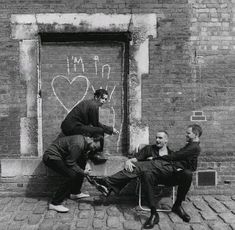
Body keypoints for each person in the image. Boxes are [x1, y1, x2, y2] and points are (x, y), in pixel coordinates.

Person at [88, 124, 202, 229]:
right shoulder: (150, 149)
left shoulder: (189, 148)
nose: (157, 140)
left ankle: (108, 184)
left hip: (168, 174)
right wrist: (128, 161)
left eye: (188, 133)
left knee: (142, 166)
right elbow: (180, 158)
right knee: (144, 171)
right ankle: (153, 213)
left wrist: (157, 159)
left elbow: (178, 157)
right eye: (156, 137)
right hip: (153, 175)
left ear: (166, 140)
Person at [43, 135, 101, 213]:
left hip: (61, 158)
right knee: (71, 175)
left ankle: (75, 192)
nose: (93, 149)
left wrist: (87, 164)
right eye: (94, 146)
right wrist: (83, 172)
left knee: (81, 166)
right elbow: (70, 162)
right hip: (51, 157)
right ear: (91, 139)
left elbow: (82, 155)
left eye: (95, 149)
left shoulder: (84, 142)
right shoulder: (78, 144)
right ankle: (55, 203)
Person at [60, 88, 119, 164]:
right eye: (102, 98)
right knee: (99, 131)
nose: (104, 101)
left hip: (69, 127)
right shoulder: (93, 106)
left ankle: (89, 154)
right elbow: (96, 125)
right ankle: (96, 155)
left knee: (93, 132)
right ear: (96, 97)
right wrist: (111, 130)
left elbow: (94, 123)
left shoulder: (88, 103)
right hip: (72, 128)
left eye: (105, 99)